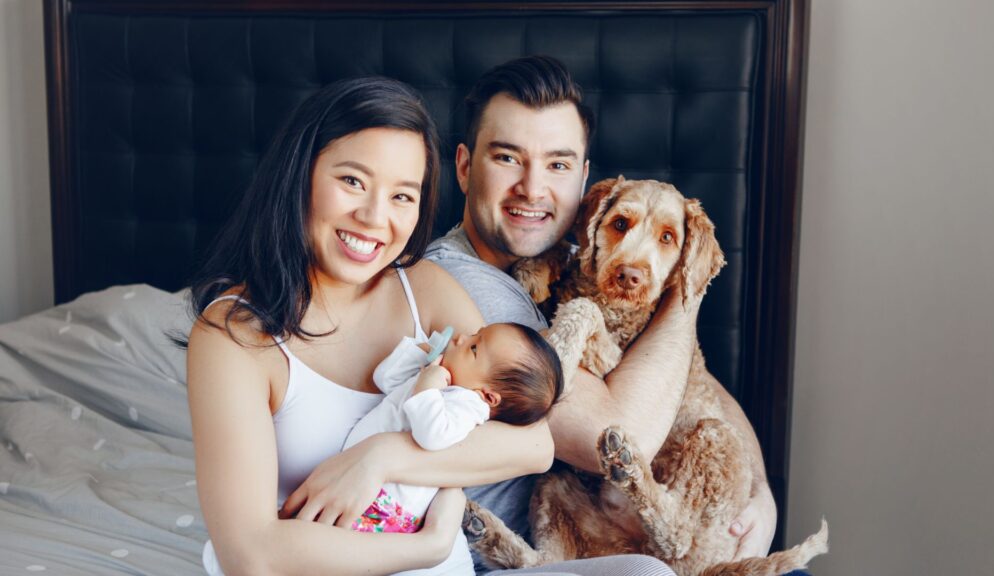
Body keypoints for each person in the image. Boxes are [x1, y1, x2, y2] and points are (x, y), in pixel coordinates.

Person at [423, 55, 785, 574]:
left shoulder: (584, 261)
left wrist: (760, 490)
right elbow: (618, 440)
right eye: (507, 158)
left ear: (584, 178)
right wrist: (683, 285)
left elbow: (698, 384)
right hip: (536, 557)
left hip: (630, 540)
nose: (532, 188)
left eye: (558, 164)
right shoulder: (464, 283)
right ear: (463, 166)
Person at [187, 77, 554, 576]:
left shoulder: (425, 288)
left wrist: (380, 457)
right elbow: (250, 554)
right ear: (299, 174)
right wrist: (427, 546)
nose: (374, 217)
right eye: (353, 181)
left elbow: (535, 445)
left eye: (402, 196)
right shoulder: (234, 336)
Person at [342, 322, 563, 575]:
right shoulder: (441, 384)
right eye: (475, 334)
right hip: (365, 488)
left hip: (385, 505)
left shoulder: (468, 405)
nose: (461, 338)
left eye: (474, 347)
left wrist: (428, 385)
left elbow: (432, 435)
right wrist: (422, 356)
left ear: (487, 396)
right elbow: (385, 377)